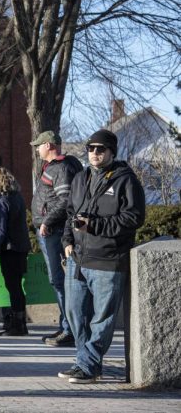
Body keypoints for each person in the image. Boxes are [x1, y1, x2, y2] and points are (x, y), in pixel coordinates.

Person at [60, 129, 145, 384]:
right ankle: (85, 362)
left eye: (100, 149)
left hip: (108, 260)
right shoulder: (80, 178)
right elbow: (70, 212)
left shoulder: (125, 180)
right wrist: (67, 240)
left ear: (111, 152)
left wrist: (94, 226)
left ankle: (88, 365)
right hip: (78, 259)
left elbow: (133, 218)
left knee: (102, 319)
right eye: (91, 148)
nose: (94, 153)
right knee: (74, 313)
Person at [30, 130, 83, 347]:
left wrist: (47, 221)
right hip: (51, 232)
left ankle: (69, 330)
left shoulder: (61, 167)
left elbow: (65, 201)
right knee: (59, 282)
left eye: (39, 145)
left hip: (55, 233)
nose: (36, 148)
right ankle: (65, 326)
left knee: (61, 281)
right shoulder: (55, 167)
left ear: (49, 145)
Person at [0, 167, 31, 336]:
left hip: (9, 249)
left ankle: (17, 325)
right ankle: (21, 323)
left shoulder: (2, 201)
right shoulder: (18, 198)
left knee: (13, 287)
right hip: (20, 248)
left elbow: (1, 229)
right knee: (17, 287)